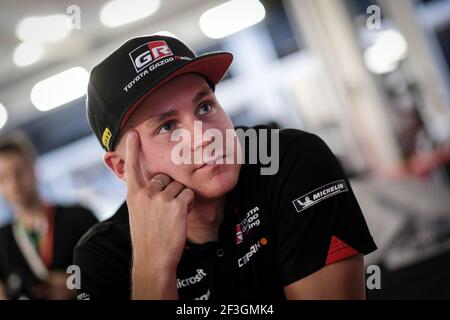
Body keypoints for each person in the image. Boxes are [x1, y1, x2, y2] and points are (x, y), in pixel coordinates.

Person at [74, 35, 377, 300]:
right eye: (168, 126)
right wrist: (153, 269)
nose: (206, 137)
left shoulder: (290, 160)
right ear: (123, 167)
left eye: (204, 107)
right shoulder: (102, 257)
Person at [0, 133, 98, 299]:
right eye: (2, 178)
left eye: (19, 172)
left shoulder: (79, 218)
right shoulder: (2, 241)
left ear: (33, 169)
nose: (13, 183)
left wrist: (75, 285)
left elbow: (111, 268)